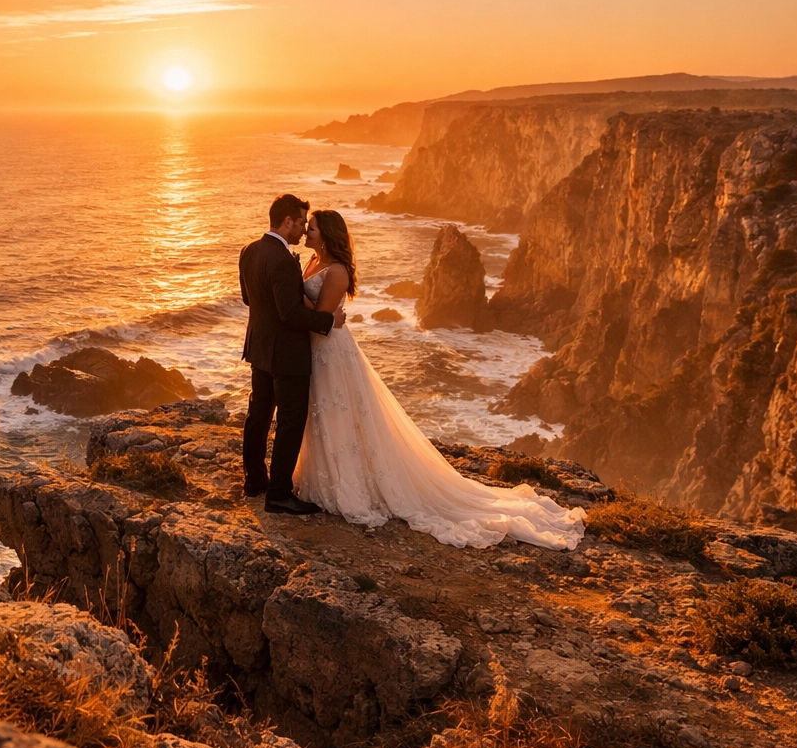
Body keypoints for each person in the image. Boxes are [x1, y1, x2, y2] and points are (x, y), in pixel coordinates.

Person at [292, 209, 585, 549]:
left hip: (331, 351)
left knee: (338, 414)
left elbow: (322, 317)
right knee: (323, 415)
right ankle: (322, 477)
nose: (306, 232)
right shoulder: (312, 261)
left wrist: (291, 294)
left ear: (326, 235)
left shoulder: (337, 271)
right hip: (316, 349)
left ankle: (348, 484)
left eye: (311, 228)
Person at [239, 194, 346, 514]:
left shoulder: (249, 251)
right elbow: (289, 314)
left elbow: (249, 299)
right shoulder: (284, 260)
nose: (302, 230)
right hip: (287, 354)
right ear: (287, 222)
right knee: (289, 420)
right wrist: (329, 320)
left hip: (259, 348)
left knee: (258, 415)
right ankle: (279, 494)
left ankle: (255, 482)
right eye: (301, 223)